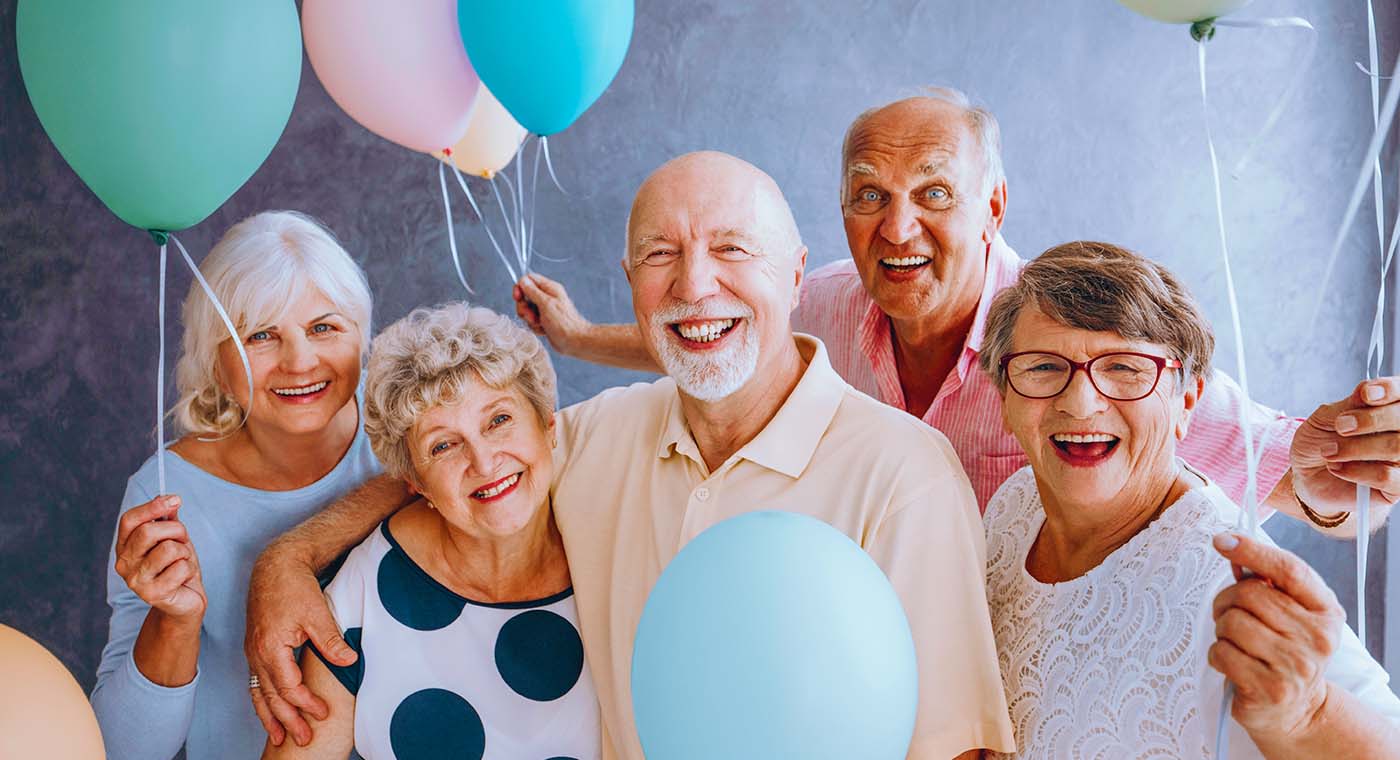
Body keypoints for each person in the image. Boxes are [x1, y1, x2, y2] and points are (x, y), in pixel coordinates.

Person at [246, 152, 1015, 759]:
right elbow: (459, 466)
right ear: (629, 283)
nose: (694, 283)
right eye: (660, 254)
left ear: (795, 273)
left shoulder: (905, 476)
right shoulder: (595, 437)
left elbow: (956, 750)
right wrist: (288, 558)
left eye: (731, 248)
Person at [512, 89, 1400, 531]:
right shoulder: (822, 299)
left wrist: (1334, 482)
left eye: (934, 191)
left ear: (994, 208)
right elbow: (715, 333)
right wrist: (583, 335)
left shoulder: (1081, 334)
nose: (898, 227)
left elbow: (1283, 464)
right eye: (869, 195)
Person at [978, 241, 1400, 758]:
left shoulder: (1229, 579)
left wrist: (1308, 715)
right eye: (1043, 368)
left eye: (1127, 369)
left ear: (1188, 402)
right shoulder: (1013, 505)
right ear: (1004, 397)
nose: (1080, 402)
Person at [91, 211, 386, 760]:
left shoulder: (415, 421)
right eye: (261, 335)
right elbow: (125, 750)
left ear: (361, 338)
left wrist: (286, 558)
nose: (301, 361)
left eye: (325, 327)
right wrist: (175, 622)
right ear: (214, 363)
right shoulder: (165, 497)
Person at [262, 303, 599, 759]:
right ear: (417, 484)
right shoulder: (362, 594)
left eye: (498, 420)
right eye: (443, 445)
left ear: (548, 427)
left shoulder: (613, 540)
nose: (483, 462)